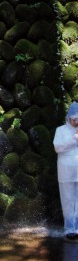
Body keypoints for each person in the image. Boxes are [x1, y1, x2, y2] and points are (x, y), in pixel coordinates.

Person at [53, 101, 78, 240]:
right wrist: (74, 139)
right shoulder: (61, 130)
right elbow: (58, 148)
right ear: (69, 118)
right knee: (68, 199)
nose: (76, 122)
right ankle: (70, 228)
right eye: (75, 119)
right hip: (66, 170)